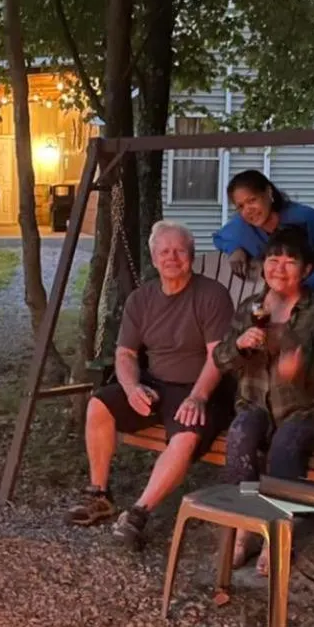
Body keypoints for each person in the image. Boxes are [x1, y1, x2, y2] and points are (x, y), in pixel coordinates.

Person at [67, 220, 235, 547]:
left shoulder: (212, 295)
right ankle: (100, 494)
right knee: (99, 404)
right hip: (156, 385)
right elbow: (126, 354)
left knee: (185, 436)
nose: (172, 257)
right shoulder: (141, 300)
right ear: (154, 258)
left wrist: (199, 397)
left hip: (202, 389)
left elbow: (219, 356)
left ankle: (139, 514)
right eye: (165, 251)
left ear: (192, 256)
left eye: (180, 251)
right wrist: (131, 388)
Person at [213, 226, 314, 574]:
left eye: (290, 262)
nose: (279, 268)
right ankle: (245, 529)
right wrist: (240, 347)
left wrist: (305, 366)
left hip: (311, 411)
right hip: (257, 406)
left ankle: (279, 535)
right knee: (241, 433)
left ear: (305, 270)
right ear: (263, 265)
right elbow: (222, 361)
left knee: (286, 445)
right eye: (273, 260)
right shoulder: (250, 308)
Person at [212, 169, 314, 296]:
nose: (248, 210)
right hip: (278, 302)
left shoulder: (307, 218)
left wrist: (306, 286)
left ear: (269, 192)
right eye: (240, 206)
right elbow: (220, 237)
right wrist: (234, 249)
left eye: (252, 200)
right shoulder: (242, 224)